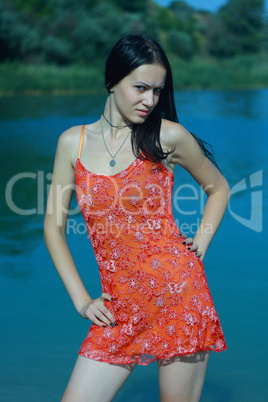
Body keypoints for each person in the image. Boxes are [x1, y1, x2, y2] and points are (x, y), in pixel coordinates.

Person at [44, 34, 230, 402]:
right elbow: (53, 227)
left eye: (158, 91)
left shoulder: (167, 137)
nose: (150, 100)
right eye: (141, 87)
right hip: (117, 310)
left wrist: (199, 246)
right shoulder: (72, 142)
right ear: (113, 81)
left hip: (178, 298)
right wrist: (82, 301)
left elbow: (219, 189)